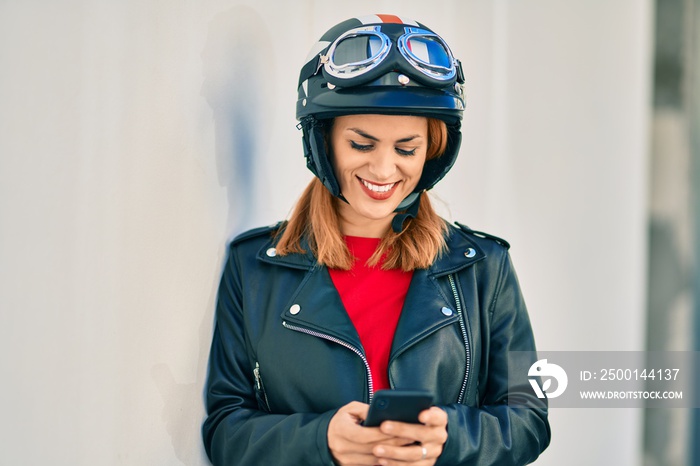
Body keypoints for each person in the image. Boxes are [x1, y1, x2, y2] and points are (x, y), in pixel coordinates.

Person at [202, 14, 550, 466]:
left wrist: (450, 436)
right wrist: (321, 439)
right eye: (362, 145)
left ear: (433, 151)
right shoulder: (252, 267)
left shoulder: (487, 267)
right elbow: (225, 429)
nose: (384, 171)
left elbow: (530, 419)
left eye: (407, 149)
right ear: (323, 142)